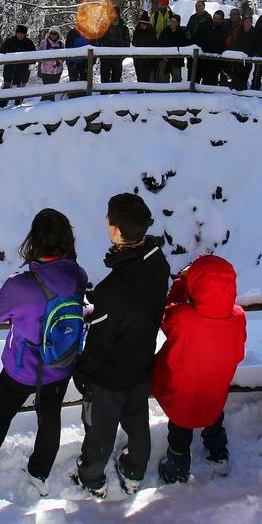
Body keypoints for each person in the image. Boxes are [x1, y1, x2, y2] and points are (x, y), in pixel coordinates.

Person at [0, 210, 88, 493]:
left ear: (34, 241)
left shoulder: (20, 285)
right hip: (60, 362)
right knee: (50, 419)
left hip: (22, 367)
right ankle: (40, 472)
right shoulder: (77, 276)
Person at [73, 193, 170, 498]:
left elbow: (99, 343)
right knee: (137, 420)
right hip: (142, 362)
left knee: (100, 430)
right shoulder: (157, 261)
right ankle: (134, 471)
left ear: (116, 231)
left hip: (109, 377)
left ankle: (91, 477)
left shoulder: (112, 290)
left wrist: (82, 372)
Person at [153, 255, 246, 484]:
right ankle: (218, 452)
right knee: (214, 413)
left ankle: (177, 468)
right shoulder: (237, 317)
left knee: (180, 428)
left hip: (182, 394)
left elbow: (168, 311)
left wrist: (182, 282)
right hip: (215, 391)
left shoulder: (183, 318)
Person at [0, 25, 36, 106]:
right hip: (9, 70)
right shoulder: (9, 41)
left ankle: (18, 105)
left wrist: (26, 60)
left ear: (25, 34)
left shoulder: (29, 43)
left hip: (23, 71)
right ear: (16, 33)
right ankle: (2, 105)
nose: (20, 35)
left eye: (22, 33)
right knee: (6, 88)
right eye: (19, 33)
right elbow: (1, 53)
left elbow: (34, 58)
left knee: (21, 90)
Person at [98, 14, 130, 84]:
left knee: (116, 79)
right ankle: (104, 91)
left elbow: (127, 43)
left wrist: (121, 56)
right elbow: (99, 41)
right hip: (105, 57)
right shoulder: (104, 27)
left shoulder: (124, 28)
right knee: (104, 79)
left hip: (118, 57)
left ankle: (115, 91)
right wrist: (101, 54)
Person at [158, 14, 190, 83]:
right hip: (164, 59)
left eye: (174, 22)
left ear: (178, 23)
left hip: (176, 60)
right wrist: (163, 56)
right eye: (171, 21)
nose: (172, 23)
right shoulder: (165, 32)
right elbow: (159, 44)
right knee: (163, 80)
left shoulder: (181, 33)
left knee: (177, 80)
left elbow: (184, 46)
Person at [131, 14, 159, 83]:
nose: (143, 25)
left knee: (148, 78)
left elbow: (154, 45)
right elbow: (134, 44)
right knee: (140, 78)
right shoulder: (136, 32)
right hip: (138, 59)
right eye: (141, 24)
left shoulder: (151, 33)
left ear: (147, 24)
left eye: (144, 24)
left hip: (149, 60)